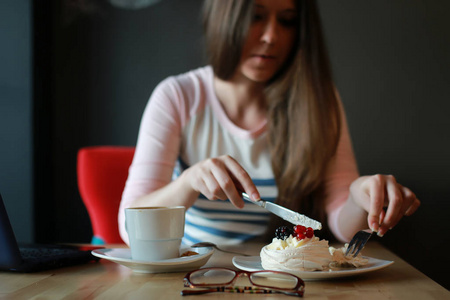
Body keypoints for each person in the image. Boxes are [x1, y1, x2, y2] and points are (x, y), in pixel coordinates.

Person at [118, 0, 420, 246]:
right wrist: (187, 183)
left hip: (277, 279)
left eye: (287, 20)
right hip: (193, 278)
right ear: (226, 15)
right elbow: (128, 228)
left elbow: (344, 227)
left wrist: (360, 196)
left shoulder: (318, 100)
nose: (271, 36)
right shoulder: (178, 96)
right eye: (255, 16)